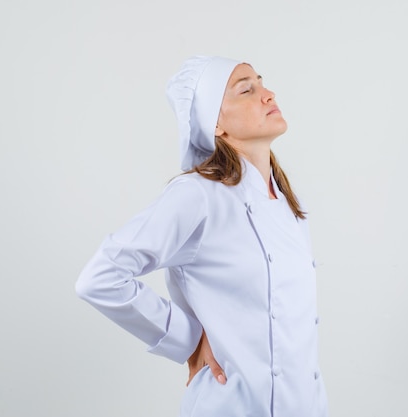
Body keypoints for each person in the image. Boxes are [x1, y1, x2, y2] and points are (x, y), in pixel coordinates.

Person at [75, 55, 328, 417]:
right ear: (216, 124)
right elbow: (100, 277)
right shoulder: (197, 195)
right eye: (247, 89)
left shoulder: (288, 202)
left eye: (262, 82)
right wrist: (188, 339)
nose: (268, 94)